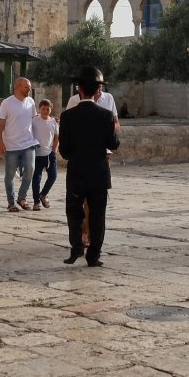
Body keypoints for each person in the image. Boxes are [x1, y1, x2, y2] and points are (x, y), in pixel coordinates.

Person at [58, 67, 121, 266]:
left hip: (76, 172)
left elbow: (65, 150)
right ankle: (94, 255)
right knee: (98, 214)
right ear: (96, 91)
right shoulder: (106, 115)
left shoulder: (68, 116)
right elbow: (113, 144)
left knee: (74, 211)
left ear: (80, 90)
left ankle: (77, 247)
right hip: (99, 173)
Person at [0, 78, 40, 211]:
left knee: (30, 170)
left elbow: (34, 119)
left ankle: (22, 198)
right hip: (11, 144)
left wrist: (49, 120)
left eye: (29, 87)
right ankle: (11, 202)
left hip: (28, 142)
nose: (29, 89)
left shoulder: (31, 101)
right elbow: (0, 124)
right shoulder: (7, 103)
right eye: (26, 87)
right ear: (17, 87)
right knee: (10, 175)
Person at [31, 98, 60, 208]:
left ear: (50, 109)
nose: (45, 111)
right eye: (43, 109)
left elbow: (57, 137)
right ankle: (36, 202)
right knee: (36, 178)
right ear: (39, 109)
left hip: (49, 154)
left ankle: (43, 194)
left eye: (47, 109)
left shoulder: (53, 121)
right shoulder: (34, 120)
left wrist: (54, 151)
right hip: (36, 154)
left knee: (53, 176)